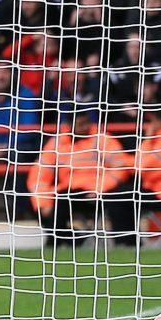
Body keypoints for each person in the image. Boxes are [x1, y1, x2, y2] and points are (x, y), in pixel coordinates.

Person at [27, 105, 136, 247]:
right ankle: (70, 238)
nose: (85, 127)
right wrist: (43, 203)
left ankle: (56, 242)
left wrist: (99, 188)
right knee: (36, 202)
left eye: (86, 123)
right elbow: (39, 175)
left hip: (100, 191)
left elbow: (120, 166)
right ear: (69, 125)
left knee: (62, 200)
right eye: (80, 124)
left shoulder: (101, 139)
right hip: (70, 190)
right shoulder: (57, 143)